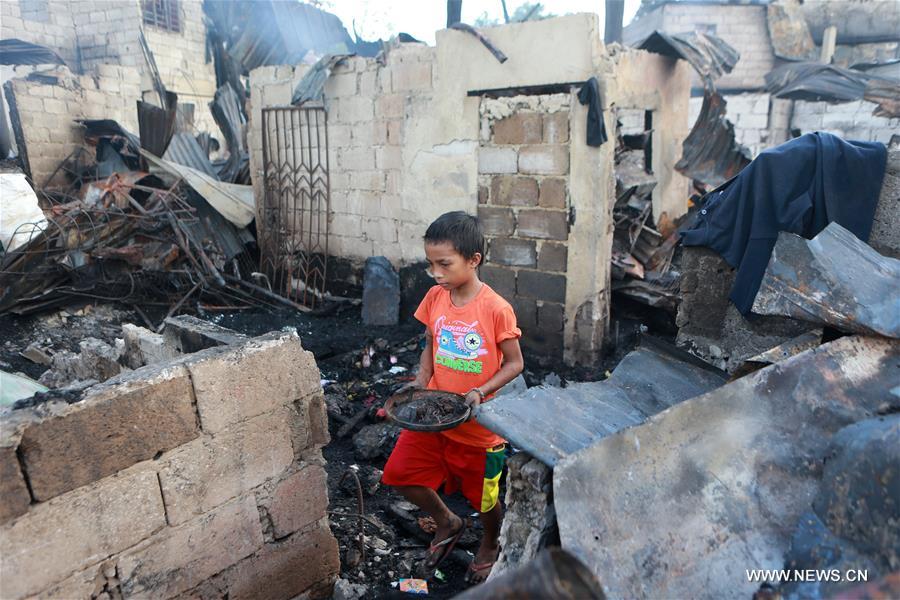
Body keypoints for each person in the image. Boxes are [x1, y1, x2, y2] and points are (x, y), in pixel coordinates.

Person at [382, 211, 524, 585]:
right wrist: (421, 380)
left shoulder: (495, 308)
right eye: (431, 264)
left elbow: (515, 363)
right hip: (434, 418)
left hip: (479, 429)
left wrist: (480, 391)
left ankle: (491, 541)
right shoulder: (435, 298)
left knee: (486, 500)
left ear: (473, 260)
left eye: (444, 264)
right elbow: (430, 341)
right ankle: (447, 520)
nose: (436, 273)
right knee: (397, 475)